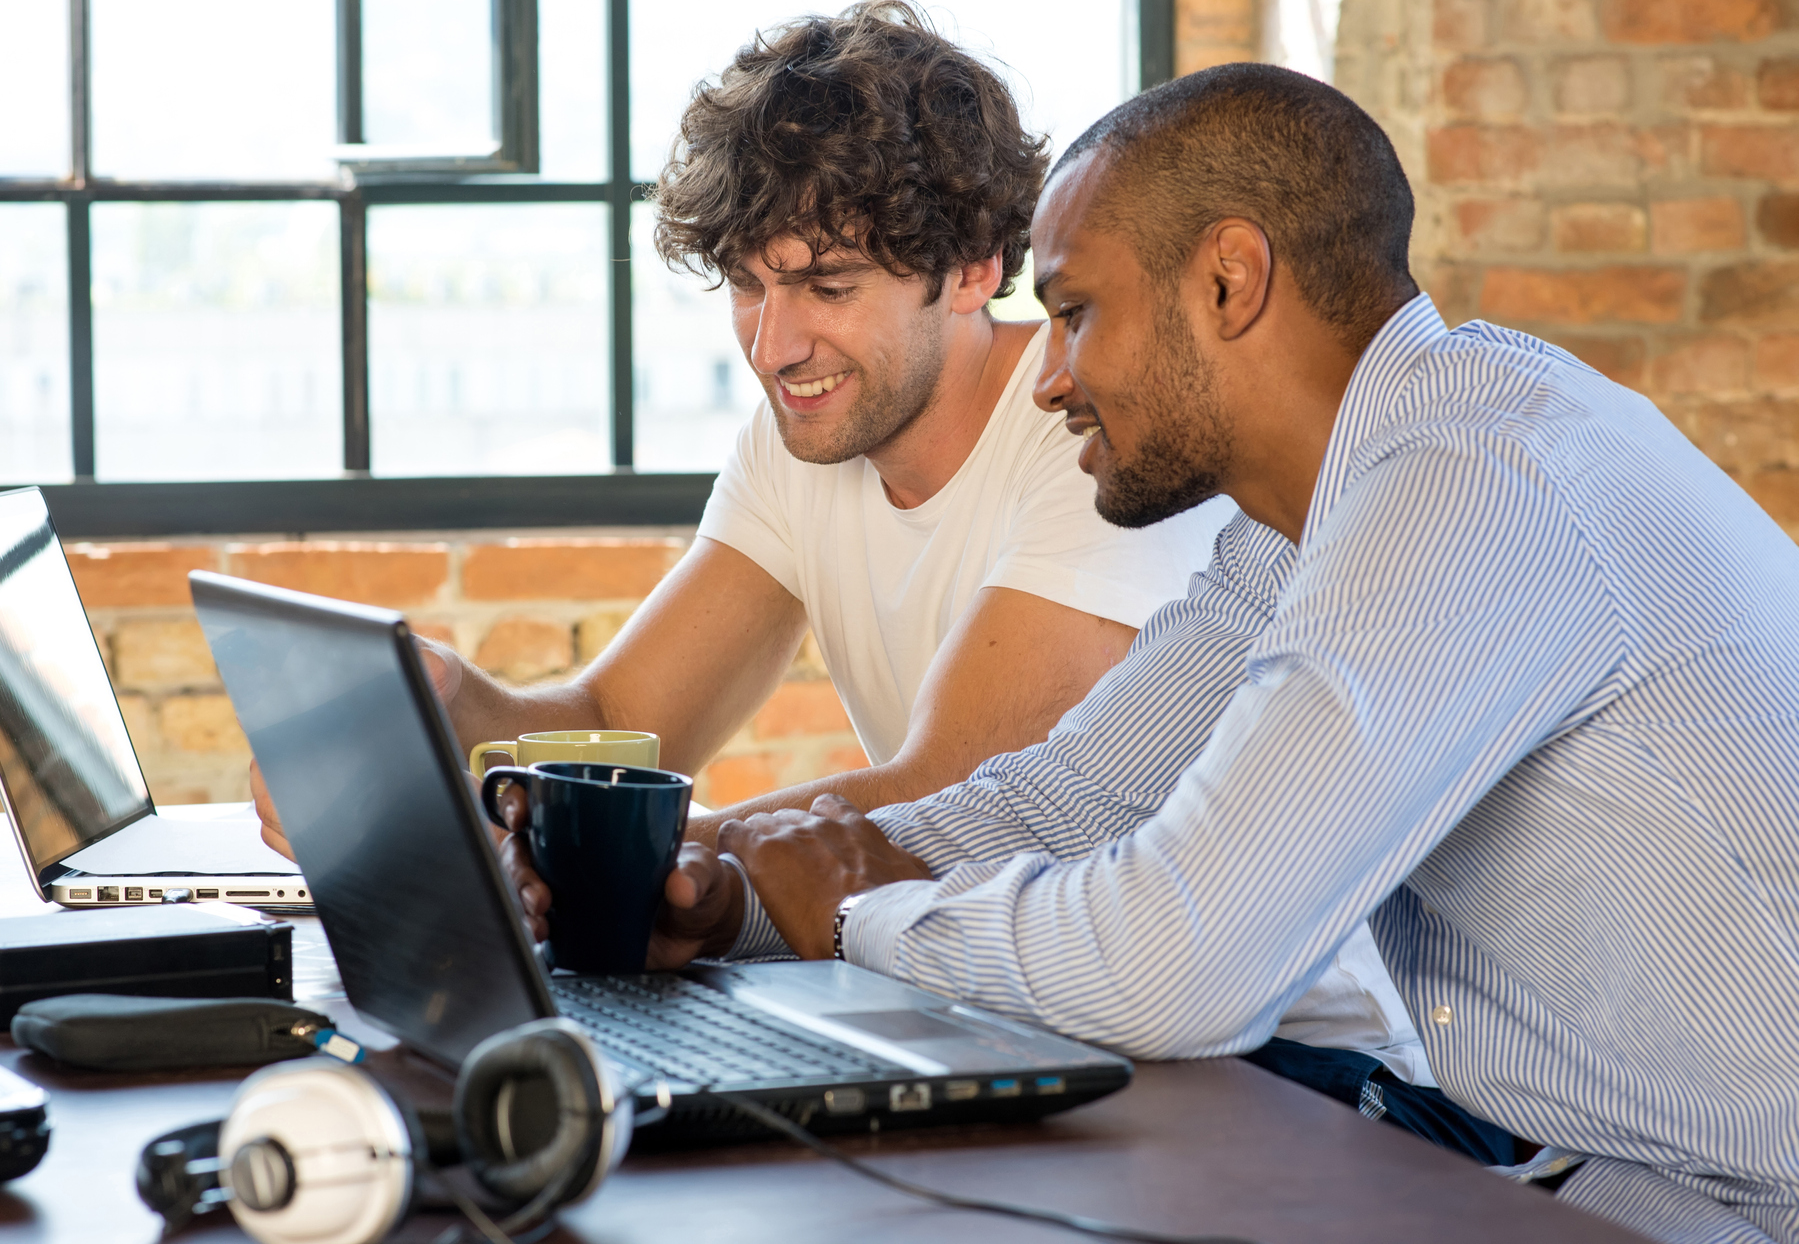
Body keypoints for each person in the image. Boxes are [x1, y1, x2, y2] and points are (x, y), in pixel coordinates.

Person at [601, 63, 1799, 1243]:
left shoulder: (1473, 484)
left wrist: (859, 903)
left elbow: (1176, 967)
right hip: (1570, 1172)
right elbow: (1071, 799)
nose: (1052, 376)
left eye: (1075, 313)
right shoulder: (1308, 520)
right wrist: (737, 901)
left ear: (1227, 281)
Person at [258, 5, 1432, 1093]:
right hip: (980, 997)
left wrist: (606, 857)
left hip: (1264, 1058)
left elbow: (949, 796)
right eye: (746, 288)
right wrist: (450, 726)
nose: (775, 346)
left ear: (977, 267)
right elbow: (623, 712)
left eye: (824, 284)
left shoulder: (1107, 436)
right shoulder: (803, 439)